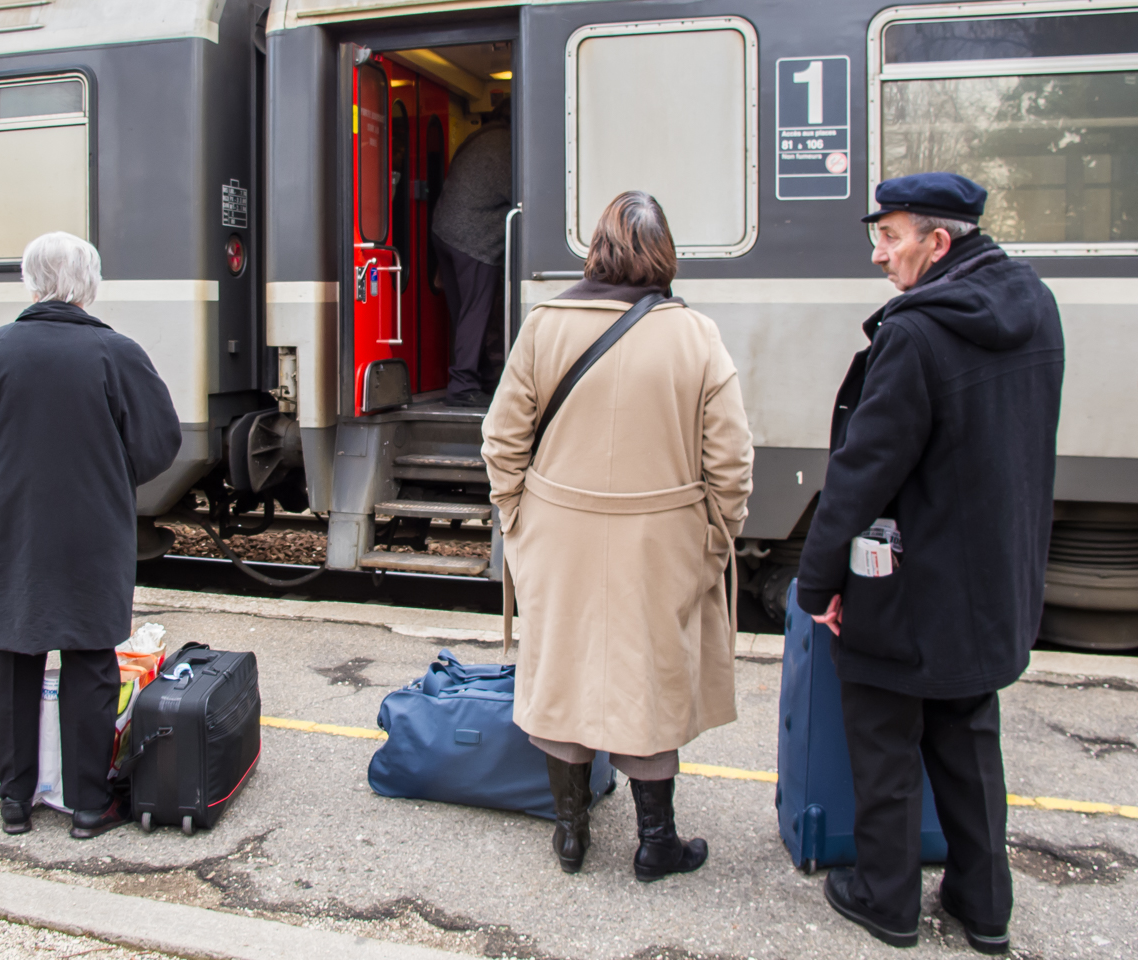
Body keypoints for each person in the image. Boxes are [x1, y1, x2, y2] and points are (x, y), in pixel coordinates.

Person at [796, 173, 1064, 953]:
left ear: (937, 242)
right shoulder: (1034, 306)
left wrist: (819, 582)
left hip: (908, 583)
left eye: (888, 237)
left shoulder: (917, 333)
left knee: (884, 739)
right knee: (970, 738)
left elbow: (861, 475)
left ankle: (886, 900)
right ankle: (984, 909)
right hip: (993, 580)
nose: (878, 254)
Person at [482, 191, 754, 881]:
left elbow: (501, 441)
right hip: (661, 543)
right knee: (651, 682)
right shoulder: (696, 336)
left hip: (556, 532)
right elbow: (731, 465)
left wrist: (520, 519)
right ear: (666, 256)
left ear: (595, 249)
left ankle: (571, 836)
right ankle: (655, 844)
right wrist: (713, 542)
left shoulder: (544, 326)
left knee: (562, 674)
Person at [0, 232, 181, 839]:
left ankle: (14, 800)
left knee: (15, 662)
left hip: (10, 528)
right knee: (91, 661)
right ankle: (87, 805)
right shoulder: (116, 352)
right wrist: (110, 470)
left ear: (30, 283)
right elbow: (161, 444)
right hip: (91, 527)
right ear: (90, 285)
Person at [432, 97, 511, 407]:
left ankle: (475, 379)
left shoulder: (477, 137)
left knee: (463, 314)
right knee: (476, 313)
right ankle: (464, 387)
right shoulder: (507, 145)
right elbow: (523, 195)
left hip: (444, 231)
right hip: (474, 239)